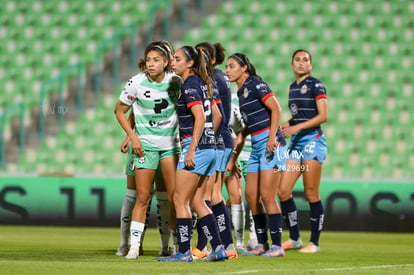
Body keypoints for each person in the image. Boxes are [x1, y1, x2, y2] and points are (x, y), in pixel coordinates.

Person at [158, 45, 227, 262]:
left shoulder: (189, 85)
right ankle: (218, 248)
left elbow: (199, 117)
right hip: (211, 148)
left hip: (195, 148)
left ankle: (184, 252)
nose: (172, 62)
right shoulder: (204, 83)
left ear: (190, 63)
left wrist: (193, 148)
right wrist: (209, 139)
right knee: (198, 201)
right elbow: (217, 116)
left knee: (180, 200)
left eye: (177, 59)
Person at [114, 41, 181, 260]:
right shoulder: (136, 82)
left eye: (156, 60)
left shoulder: (176, 82)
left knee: (172, 198)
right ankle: (133, 247)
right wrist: (132, 137)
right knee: (142, 198)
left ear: (166, 62)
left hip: (170, 147)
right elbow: (119, 111)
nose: (151, 65)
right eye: (149, 60)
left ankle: (174, 245)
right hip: (146, 147)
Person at [226, 53, 287, 257]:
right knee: (252, 197)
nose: (228, 70)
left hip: (271, 143)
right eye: (227, 66)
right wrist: (241, 135)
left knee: (268, 195)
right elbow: (251, 123)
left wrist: (272, 138)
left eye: (232, 66)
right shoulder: (241, 91)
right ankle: (262, 244)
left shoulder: (256, 84)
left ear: (244, 68)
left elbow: (276, 110)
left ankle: (277, 246)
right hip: (256, 147)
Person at [190, 42, 238, 260]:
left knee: (208, 196)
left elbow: (219, 116)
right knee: (213, 196)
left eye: (200, 55)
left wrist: (209, 138)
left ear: (209, 59)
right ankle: (224, 245)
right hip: (222, 139)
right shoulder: (217, 77)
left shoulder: (212, 79)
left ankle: (206, 246)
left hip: (217, 138)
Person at [278, 49, 328, 254]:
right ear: (292, 65)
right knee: (283, 191)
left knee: (310, 192)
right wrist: (286, 125)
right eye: (297, 60)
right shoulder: (292, 87)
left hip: (313, 140)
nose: (301, 63)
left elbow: (323, 116)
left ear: (311, 65)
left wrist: (296, 127)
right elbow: (298, 117)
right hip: (296, 142)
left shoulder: (316, 85)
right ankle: (295, 238)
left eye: (305, 60)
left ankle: (314, 243)